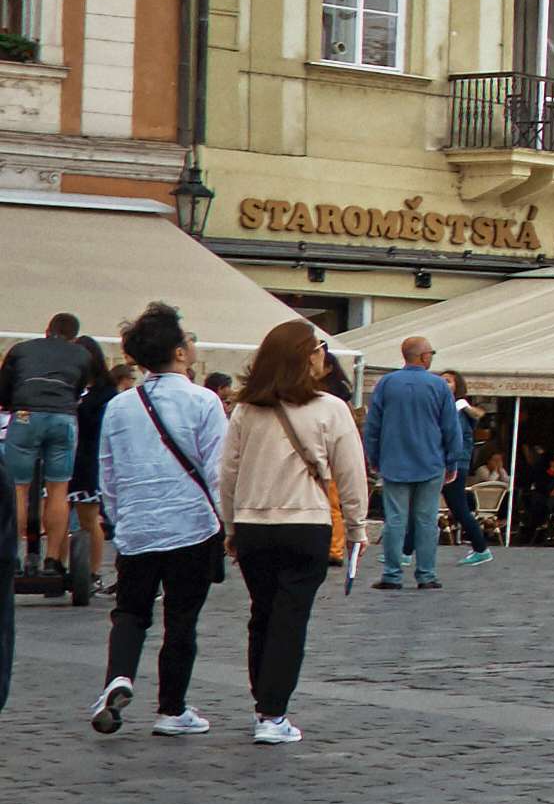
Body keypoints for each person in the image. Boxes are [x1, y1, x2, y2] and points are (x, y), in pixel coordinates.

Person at [216, 318, 367, 746]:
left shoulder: (246, 409)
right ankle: (273, 712)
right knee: (290, 618)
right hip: (305, 523)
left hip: (253, 524)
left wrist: (230, 524)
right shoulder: (331, 409)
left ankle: (262, 701)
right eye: (319, 349)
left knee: (262, 614)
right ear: (305, 357)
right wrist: (356, 528)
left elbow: (228, 473)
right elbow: (350, 473)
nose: (325, 357)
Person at [93, 301, 229, 736]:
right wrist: (228, 522)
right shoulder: (204, 400)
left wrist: (117, 518)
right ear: (180, 352)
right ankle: (172, 709)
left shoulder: (120, 406)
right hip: (192, 524)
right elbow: (217, 468)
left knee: (130, 612)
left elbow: (107, 471)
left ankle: (119, 676)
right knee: (181, 618)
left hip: (138, 526)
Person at [8, 313, 102, 604]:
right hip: (63, 417)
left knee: (18, 488)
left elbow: (5, 389)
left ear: (47, 331)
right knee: (59, 489)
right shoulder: (81, 354)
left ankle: (12, 558)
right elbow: (78, 391)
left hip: (25, 414)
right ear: (74, 336)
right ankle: (51, 560)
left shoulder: (22, 349)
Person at [360, 334, 464, 594]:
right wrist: (453, 460)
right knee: (426, 520)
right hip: (430, 461)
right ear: (424, 356)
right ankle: (426, 574)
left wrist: (373, 457)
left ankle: (392, 574)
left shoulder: (387, 384)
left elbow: (373, 425)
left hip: (394, 461)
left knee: (395, 519)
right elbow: (451, 427)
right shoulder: (438, 386)